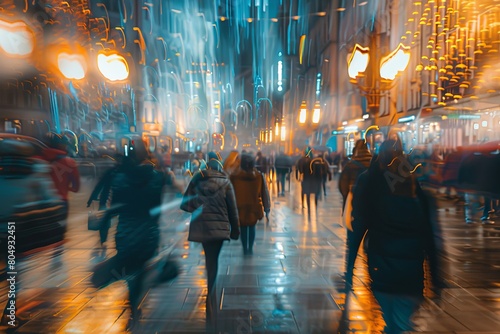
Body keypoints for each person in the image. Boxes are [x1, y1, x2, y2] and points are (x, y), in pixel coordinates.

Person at [345, 139, 445, 334]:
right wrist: (437, 280)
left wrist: (349, 270)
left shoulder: (376, 195)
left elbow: (359, 229)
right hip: (411, 279)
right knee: (400, 324)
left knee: (392, 323)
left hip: (381, 272)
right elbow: (432, 242)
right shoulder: (422, 200)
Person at [90, 136, 166, 330]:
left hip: (125, 231)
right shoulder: (157, 178)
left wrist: (104, 220)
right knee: (139, 269)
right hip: (147, 232)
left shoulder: (120, 178)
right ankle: (134, 304)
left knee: (130, 268)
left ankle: (131, 303)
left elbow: (115, 208)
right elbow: (156, 208)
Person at [180, 151, 239, 331]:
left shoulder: (197, 179)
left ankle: (210, 284)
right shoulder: (226, 181)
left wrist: (198, 205)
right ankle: (212, 286)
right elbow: (232, 208)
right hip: (220, 228)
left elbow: (185, 204)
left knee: (209, 257)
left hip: (203, 227)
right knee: (213, 257)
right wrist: (235, 230)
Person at [230, 153, 271, 255]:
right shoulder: (258, 176)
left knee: (243, 228)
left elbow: (229, 193)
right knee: (252, 227)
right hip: (254, 206)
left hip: (240, 207)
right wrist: (267, 207)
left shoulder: (235, 177)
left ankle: (245, 248)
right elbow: (264, 192)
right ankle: (250, 248)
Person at [41, 132, 80, 216]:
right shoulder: (70, 162)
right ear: (60, 145)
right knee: (60, 227)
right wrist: (66, 187)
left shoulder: (37, 160)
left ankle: (11, 229)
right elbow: (76, 188)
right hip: (61, 202)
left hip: (40, 204)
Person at [338, 139, 372, 216]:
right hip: (370, 201)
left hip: (354, 200)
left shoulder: (350, 165)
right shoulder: (374, 164)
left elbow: (343, 186)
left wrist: (347, 197)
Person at [295, 146, 316, 211]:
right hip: (309, 177)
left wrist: (297, 177)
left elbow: (297, 168)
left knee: (303, 190)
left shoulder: (300, 160)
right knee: (308, 191)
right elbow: (314, 169)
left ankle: (303, 203)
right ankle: (308, 203)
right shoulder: (311, 160)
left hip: (303, 177)